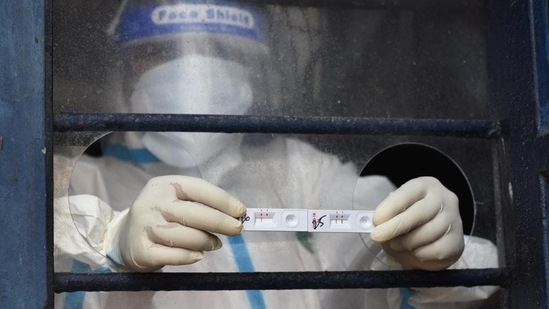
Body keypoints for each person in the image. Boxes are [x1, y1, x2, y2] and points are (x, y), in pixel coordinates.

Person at [54, 1, 498, 308]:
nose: (194, 75)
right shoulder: (83, 179)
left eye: (222, 53)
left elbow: (386, 274)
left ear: (253, 76)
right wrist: (111, 250)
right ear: (123, 74)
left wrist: (430, 255)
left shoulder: (300, 169)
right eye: (157, 53)